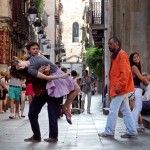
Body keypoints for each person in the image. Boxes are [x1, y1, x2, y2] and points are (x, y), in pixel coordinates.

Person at [99, 37, 137, 138]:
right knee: (126, 110)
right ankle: (132, 131)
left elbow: (125, 72)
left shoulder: (121, 54)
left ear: (116, 44)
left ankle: (109, 131)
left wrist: (119, 85)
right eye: (108, 44)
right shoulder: (115, 56)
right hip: (120, 88)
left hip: (120, 88)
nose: (109, 46)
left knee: (113, 109)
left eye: (110, 44)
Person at [129, 52, 147, 131]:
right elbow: (141, 78)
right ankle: (135, 125)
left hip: (135, 89)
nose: (137, 58)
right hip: (136, 89)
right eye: (134, 57)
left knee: (136, 108)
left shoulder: (136, 67)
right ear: (132, 60)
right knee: (138, 107)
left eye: (138, 57)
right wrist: (147, 78)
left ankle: (135, 125)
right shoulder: (134, 67)